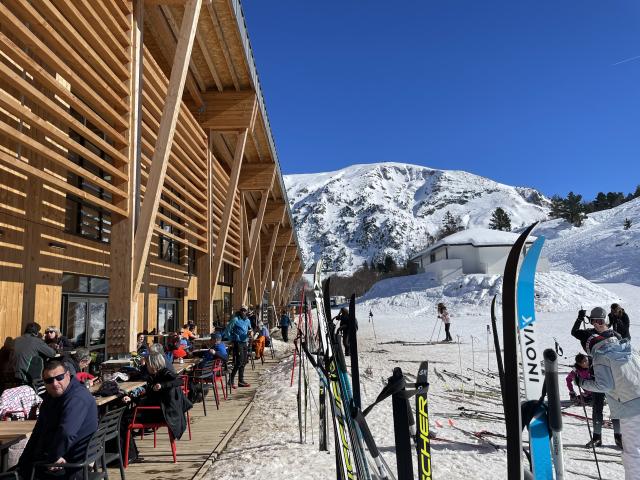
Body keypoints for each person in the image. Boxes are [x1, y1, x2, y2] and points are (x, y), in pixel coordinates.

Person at [18, 360, 98, 479]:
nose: (55, 383)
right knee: (16, 471)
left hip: (72, 464)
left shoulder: (76, 398)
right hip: (61, 456)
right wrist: (23, 461)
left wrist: (53, 457)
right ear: (44, 383)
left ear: (67, 375)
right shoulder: (51, 397)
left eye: (59, 377)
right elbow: (38, 431)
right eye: (49, 380)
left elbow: (67, 433)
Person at [577, 327, 640, 478]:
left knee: (633, 452)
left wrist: (582, 382)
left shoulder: (600, 355)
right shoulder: (629, 348)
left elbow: (605, 385)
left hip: (629, 406)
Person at [571, 306, 622, 447]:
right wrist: (580, 318)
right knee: (598, 408)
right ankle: (597, 437)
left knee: (615, 408)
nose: (597, 324)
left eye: (600, 320)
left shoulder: (615, 335)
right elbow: (574, 332)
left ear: (604, 320)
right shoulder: (589, 334)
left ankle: (618, 436)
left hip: (612, 377)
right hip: (597, 376)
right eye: (594, 321)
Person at [135, 353, 192, 441]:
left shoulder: (164, 372)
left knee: (126, 417)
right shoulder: (155, 374)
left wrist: (162, 385)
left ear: (153, 364)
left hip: (163, 414)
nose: (147, 366)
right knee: (131, 413)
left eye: (148, 364)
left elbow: (179, 381)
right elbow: (143, 378)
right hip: (165, 411)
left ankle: (128, 451)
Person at [229, 306, 252, 388]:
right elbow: (227, 331)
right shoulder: (235, 320)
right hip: (238, 343)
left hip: (245, 342)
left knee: (244, 361)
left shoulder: (247, 320)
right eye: (242, 310)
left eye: (244, 310)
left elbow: (249, 329)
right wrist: (233, 338)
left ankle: (241, 381)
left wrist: (250, 332)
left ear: (246, 312)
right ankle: (230, 380)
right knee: (239, 362)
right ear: (240, 311)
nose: (243, 312)